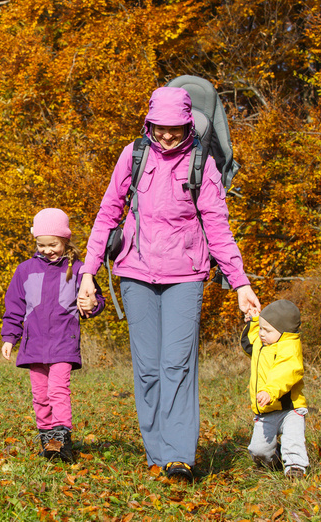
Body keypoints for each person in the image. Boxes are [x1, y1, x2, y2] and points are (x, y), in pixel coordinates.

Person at [76, 86, 261, 482]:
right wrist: (88, 273)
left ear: (188, 124)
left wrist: (240, 282)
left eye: (175, 128)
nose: (166, 135)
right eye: (159, 128)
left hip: (186, 276)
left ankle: (179, 456)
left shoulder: (202, 163)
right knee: (147, 369)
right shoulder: (134, 154)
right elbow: (108, 212)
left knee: (176, 364)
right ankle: (157, 452)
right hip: (135, 273)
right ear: (149, 122)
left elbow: (218, 227)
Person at [1, 208, 105, 463]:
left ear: (65, 241)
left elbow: (95, 299)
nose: (47, 250)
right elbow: (14, 306)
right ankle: (48, 440)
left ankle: (61, 441)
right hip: (33, 345)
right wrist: (9, 337)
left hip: (62, 343)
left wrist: (92, 305)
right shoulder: (25, 270)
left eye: (53, 244)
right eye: (41, 244)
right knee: (40, 395)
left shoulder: (79, 269)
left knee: (58, 390)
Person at [241, 299, 309, 478]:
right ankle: (275, 460)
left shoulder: (289, 348)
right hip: (266, 409)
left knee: (292, 441)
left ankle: (295, 468)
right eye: (261, 329)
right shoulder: (262, 344)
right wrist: (255, 322)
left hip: (289, 409)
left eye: (267, 330)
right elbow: (248, 343)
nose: (262, 334)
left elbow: (286, 372)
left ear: (284, 332)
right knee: (258, 451)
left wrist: (270, 391)